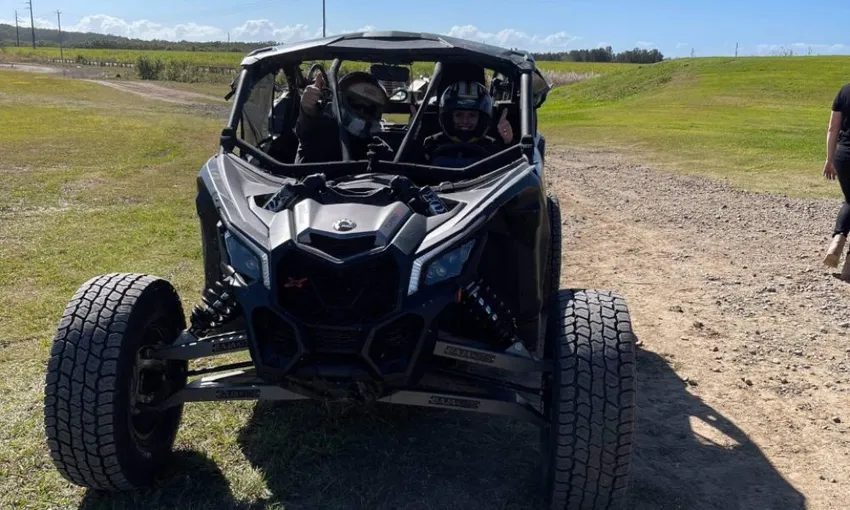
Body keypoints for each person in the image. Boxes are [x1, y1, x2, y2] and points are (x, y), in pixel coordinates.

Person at [294, 71, 390, 163]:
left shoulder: (381, 149)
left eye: (370, 109)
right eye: (355, 103)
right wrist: (308, 109)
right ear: (340, 100)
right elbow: (306, 127)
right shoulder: (320, 131)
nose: (361, 111)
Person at [421, 80, 514, 168]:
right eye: (459, 115)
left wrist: (508, 143)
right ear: (449, 117)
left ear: (481, 118)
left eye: (472, 115)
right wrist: (414, 135)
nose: (465, 121)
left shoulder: (492, 146)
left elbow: (511, 171)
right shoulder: (431, 144)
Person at [822, 81, 850, 278]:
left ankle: (838, 239)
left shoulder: (844, 91)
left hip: (844, 156)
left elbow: (833, 128)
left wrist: (829, 159)